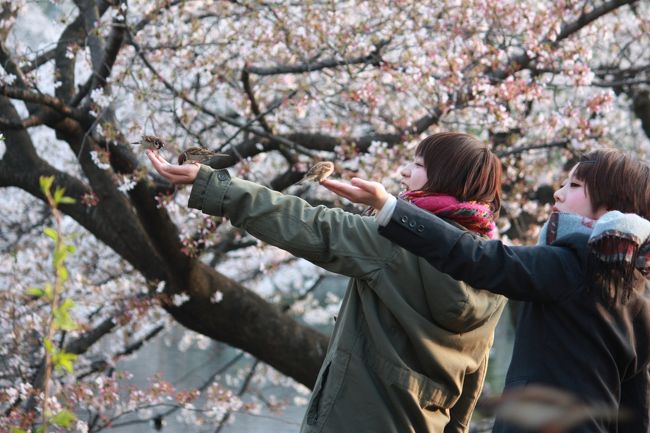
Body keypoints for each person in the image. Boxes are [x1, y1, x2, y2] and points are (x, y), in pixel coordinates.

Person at [146, 132, 507, 433]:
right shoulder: (494, 267)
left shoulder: (400, 241)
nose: (402, 172)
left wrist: (214, 186)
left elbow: (309, 224)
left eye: (416, 166)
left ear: (443, 178)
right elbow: (472, 378)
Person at [323, 148, 650, 433]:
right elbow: (636, 411)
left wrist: (390, 208)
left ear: (612, 208)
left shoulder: (569, 264)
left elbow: (477, 257)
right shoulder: (638, 293)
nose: (558, 193)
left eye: (574, 186)